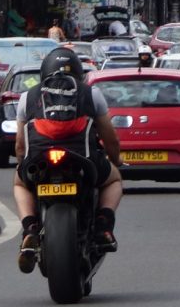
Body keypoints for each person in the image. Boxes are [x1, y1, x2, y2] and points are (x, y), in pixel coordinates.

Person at [13, 47, 122, 274]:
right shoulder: (91, 94)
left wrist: (21, 164)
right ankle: (103, 225)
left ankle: (30, 228)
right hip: (83, 159)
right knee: (114, 180)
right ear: (79, 73)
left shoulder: (28, 97)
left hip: (40, 159)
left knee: (19, 183)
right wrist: (116, 161)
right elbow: (110, 138)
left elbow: (20, 145)